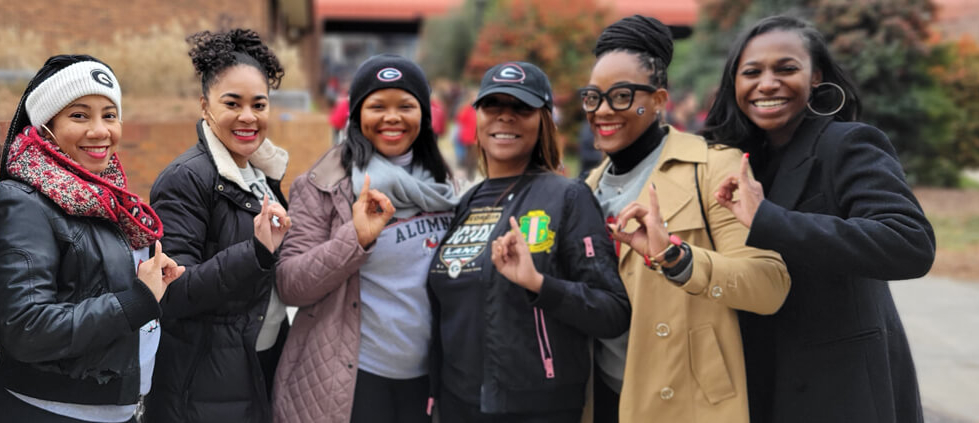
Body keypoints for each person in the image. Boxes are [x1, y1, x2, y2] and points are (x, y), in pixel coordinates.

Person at [701, 15, 935, 423]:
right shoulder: (735, 162)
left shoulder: (847, 143)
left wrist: (770, 219)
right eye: (751, 72)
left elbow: (910, 243)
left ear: (816, 78)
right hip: (757, 386)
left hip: (841, 391)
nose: (767, 83)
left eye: (786, 68)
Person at [581, 15, 791, 423]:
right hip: (605, 395)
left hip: (687, 402)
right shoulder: (585, 189)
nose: (603, 110)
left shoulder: (712, 167)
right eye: (593, 97)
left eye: (622, 96)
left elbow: (770, 285)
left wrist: (677, 259)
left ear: (659, 101)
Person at [0, 55, 183, 423]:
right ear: (46, 127)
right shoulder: (24, 201)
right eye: (79, 115)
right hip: (45, 411)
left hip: (114, 411)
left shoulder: (105, 196)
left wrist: (150, 282)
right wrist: (137, 300)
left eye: (109, 114)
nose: (100, 130)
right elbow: (26, 327)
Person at [426, 61, 631, 422]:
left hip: (538, 408)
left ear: (544, 120)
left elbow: (612, 311)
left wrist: (539, 284)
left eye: (521, 107)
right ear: (478, 117)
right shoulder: (465, 203)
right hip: (458, 403)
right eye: (493, 106)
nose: (506, 117)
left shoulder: (568, 198)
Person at [273, 54, 458, 423]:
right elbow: (290, 284)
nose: (392, 117)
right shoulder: (322, 186)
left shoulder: (442, 186)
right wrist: (354, 239)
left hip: (430, 377)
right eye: (377, 106)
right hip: (354, 379)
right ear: (357, 116)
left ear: (423, 115)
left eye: (406, 105)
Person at [143, 28, 291, 423]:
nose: (248, 117)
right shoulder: (185, 179)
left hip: (257, 363)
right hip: (203, 384)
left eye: (259, 105)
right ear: (205, 106)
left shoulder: (262, 176)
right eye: (233, 103)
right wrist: (255, 253)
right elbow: (172, 292)